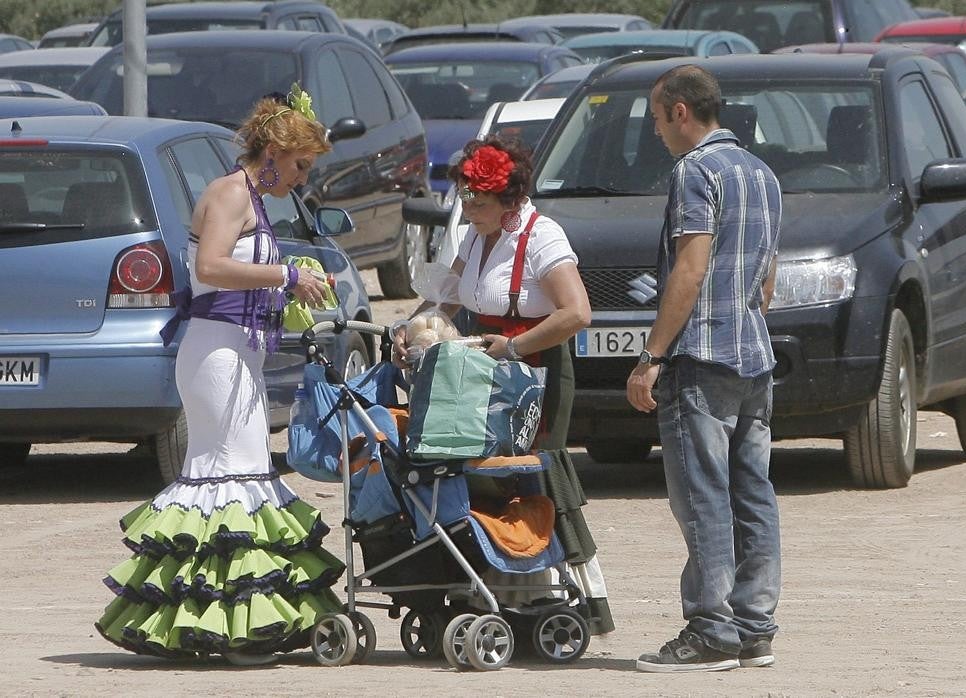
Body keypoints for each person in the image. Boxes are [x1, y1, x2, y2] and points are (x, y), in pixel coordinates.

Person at [97, 84, 342, 664]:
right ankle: (226, 617)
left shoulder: (252, 199)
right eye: (300, 165)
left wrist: (286, 284)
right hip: (215, 354)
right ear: (274, 152)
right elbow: (210, 266)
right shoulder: (231, 193)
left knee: (239, 470)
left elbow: (233, 269)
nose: (303, 178)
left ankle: (216, 614)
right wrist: (283, 275)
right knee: (229, 473)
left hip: (236, 351)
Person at [393, 135, 614, 634]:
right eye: (466, 196)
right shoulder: (474, 235)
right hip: (481, 371)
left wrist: (513, 347)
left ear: (509, 198)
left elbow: (577, 314)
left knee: (534, 475)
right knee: (480, 473)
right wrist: (407, 333)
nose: (469, 206)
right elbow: (443, 302)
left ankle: (560, 595)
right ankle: (491, 586)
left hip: (536, 372)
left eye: (480, 198)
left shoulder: (543, 238)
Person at [627, 64, 783, 673]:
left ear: (681, 112)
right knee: (754, 493)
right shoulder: (762, 173)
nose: (656, 130)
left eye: (657, 117)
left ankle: (712, 629)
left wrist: (652, 357)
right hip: (754, 356)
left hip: (702, 357)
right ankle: (754, 625)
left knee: (701, 494)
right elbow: (766, 278)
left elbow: (688, 270)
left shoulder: (694, 173)